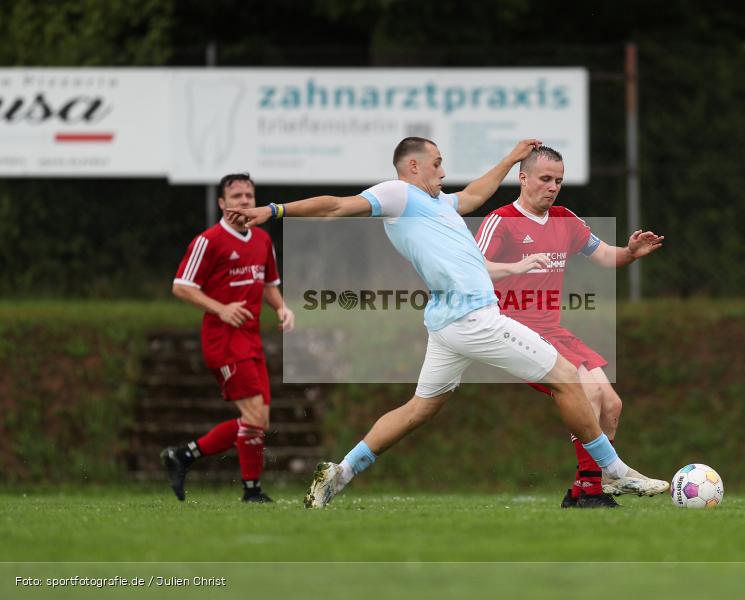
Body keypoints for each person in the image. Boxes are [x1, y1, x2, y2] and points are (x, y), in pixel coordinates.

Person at [228, 138, 668, 508]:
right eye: (437, 163)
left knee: (420, 409)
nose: (443, 169)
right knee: (567, 377)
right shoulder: (399, 194)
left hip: (446, 323)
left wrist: (511, 159)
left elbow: (476, 193)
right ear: (413, 166)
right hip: (472, 317)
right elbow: (337, 206)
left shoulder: (437, 203)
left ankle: (339, 474)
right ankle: (612, 469)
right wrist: (275, 210)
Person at [476, 145, 663, 509]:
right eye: (545, 179)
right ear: (523, 177)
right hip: (513, 328)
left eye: (558, 180)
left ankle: (584, 489)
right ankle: (593, 489)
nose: (552, 187)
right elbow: (472, 266)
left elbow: (606, 256)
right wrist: (515, 267)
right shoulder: (501, 220)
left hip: (553, 329)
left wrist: (630, 252)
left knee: (611, 404)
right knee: (586, 390)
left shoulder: (565, 219)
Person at [161, 173, 295, 503]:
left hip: (251, 338)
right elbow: (181, 286)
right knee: (253, 416)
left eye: (249, 195)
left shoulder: (262, 240)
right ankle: (249, 490)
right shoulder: (208, 240)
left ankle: (187, 457)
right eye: (236, 196)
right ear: (222, 203)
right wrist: (220, 309)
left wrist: (281, 309)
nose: (245, 201)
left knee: (258, 419)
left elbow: (268, 286)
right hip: (222, 339)